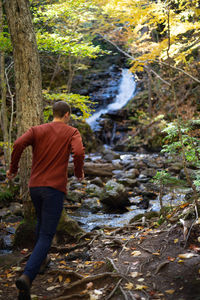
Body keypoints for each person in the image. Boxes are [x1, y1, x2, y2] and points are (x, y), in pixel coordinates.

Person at [6, 101, 85, 300]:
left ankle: (40, 263)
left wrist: (13, 169)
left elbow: (18, 144)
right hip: (54, 189)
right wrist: (78, 172)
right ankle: (28, 275)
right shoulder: (72, 132)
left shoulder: (37, 130)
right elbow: (80, 152)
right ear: (67, 115)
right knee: (47, 235)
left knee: (42, 224)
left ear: (53, 114)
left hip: (35, 187)